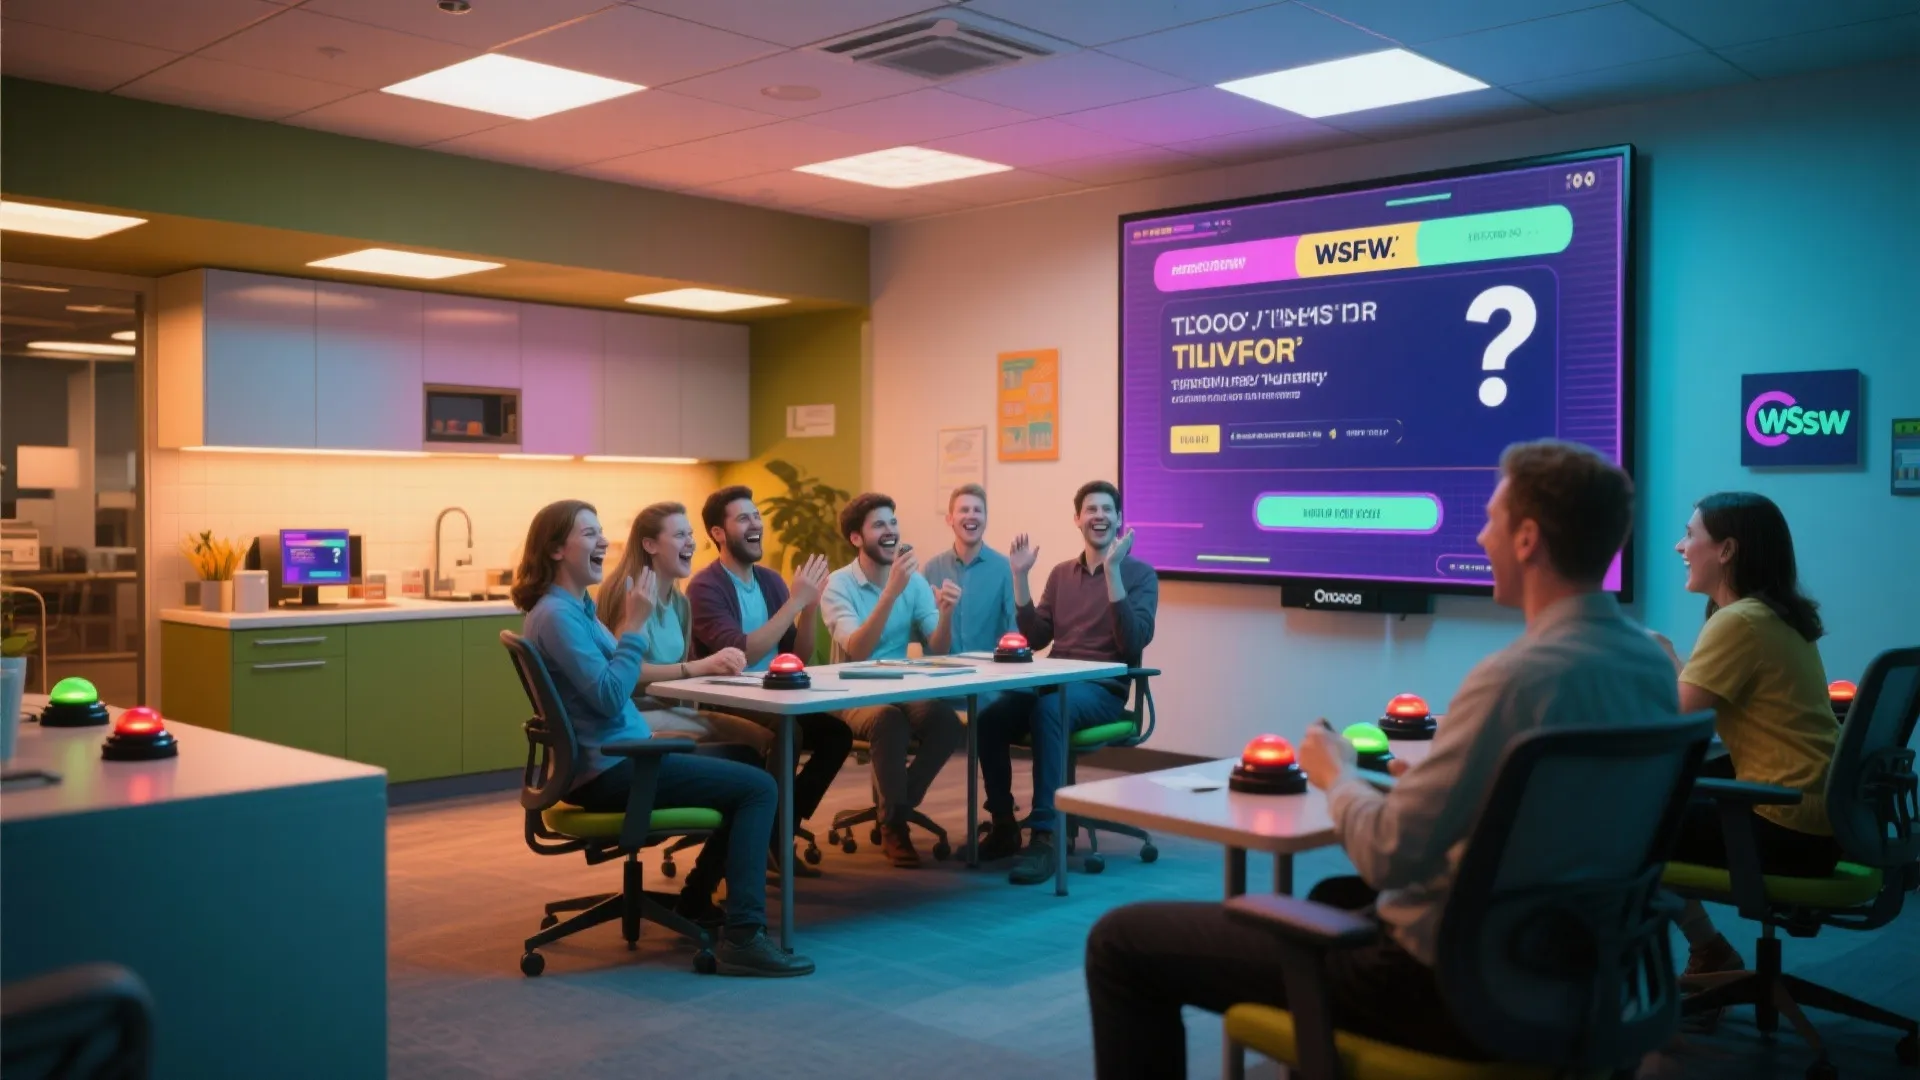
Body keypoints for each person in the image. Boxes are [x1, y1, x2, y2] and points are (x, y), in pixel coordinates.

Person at [1084, 440, 1676, 1077]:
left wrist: (1335, 771)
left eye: (1491, 521)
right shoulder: (1651, 664)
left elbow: (1387, 853)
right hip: (1570, 975)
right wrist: (1434, 784)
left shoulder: (1514, 680)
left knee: (1121, 941)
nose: (1479, 538)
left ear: (1528, 538)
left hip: (1445, 985)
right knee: (1337, 893)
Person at [511, 499, 812, 977]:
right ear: (554, 549)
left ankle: (697, 899)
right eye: (589, 534)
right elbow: (614, 694)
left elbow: (617, 681)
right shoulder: (557, 617)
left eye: (600, 530)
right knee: (760, 788)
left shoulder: (576, 610)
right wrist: (633, 625)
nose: (603, 541)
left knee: (752, 771)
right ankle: (742, 937)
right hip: (615, 767)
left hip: (620, 755)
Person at [1651, 492, 1841, 978]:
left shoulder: (1739, 621)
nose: (1680, 546)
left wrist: (1662, 655)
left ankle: (1639, 985)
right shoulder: (1770, 616)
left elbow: (1678, 719)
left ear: (1727, 550)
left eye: (1691, 535)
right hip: (1819, 820)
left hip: (1781, 827)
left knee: (1618, 822)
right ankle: (1708, 950)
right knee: (1650, 806)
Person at [976, 480, 1158, 885]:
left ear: (1119, 519)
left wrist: (1112, 572)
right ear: (1077, 519)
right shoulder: (1061, 574)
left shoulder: (1140, 574)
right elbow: (1037, 637)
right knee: (990, 718)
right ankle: (1004, 824)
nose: (1099, 516)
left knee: (1048, 710)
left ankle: (1045, 835)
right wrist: (1019, 578)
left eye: (1107, 509)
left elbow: (1132, 642)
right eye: (1091, 509)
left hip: (1104, 690)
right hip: (1055, 681)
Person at [685, 485, 854, 860]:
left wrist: (808, 609)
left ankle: (781, 826)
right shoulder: (704, 587)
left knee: (836, 735)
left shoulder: (771, 581)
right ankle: (767, 838)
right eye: (743, 517)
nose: (755, 523)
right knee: (789, 730)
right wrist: (795, 600)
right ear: (718, 533)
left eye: (756, 515)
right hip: (727, 699)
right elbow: (742, 653)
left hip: (772, 696)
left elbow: (797, 655)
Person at [819, 492, 966, 868]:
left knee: (946, 723)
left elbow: (937, 648)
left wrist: (946, 613)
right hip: (850, 690)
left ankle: (897, 804)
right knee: (888, 720)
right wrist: (889, 593)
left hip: (901, 684)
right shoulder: (838, 586)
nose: (891, 532)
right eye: (879, 525)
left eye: (893, 523)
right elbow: (857, 650)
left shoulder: (914, 583)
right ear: (856, 538)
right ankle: (893, 825)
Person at [920, 483, 1018, 657]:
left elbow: (1015, 629)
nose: (971, 515)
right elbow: (926, 636)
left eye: (977, 510)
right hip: (942, 673)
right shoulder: (932, 569)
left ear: (986, 519)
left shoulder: (1005, 568)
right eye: (964, 510)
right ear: (949, 519)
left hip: (990, 675)